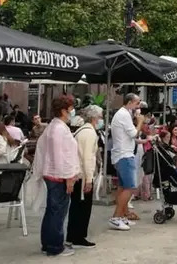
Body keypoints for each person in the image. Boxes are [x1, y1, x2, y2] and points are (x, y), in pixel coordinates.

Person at [38, 95, 79, 258]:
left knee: (52, 211)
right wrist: (68, 178)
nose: (72, 111)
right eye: (70, 108)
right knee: (58, 212)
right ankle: (55, 245)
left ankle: (48, 243)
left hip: (55, 175)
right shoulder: (57, 129)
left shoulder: (56, 126)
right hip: (58, 177)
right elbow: (59, 157)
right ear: (63, 110)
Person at [66, 105, 101, 249]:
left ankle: (73, 235)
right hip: (83, 174)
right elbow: (88, 158)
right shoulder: (89, 133)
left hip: (78, 173)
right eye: (100, 116)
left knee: (76, 206)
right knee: (83, 207)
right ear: (94, 117)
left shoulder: (82, 130)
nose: (100, 119)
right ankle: (78, 236)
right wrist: (89, 179)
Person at [108, 93, 144, 231]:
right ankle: (116, 217)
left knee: (123, 187)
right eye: (136, 103)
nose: (138, 106)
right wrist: (140, 121)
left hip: (122, 154)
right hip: (124, 155)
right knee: (130, 187)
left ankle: (122, 215)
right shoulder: (123, 115)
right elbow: (134, 133)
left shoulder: (123, 114)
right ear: (129, 102)